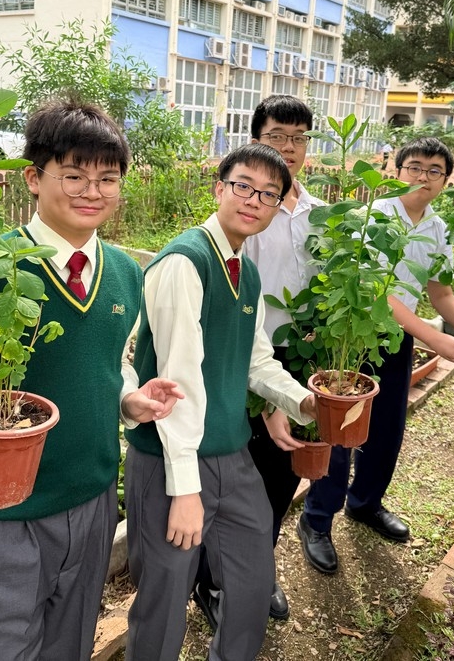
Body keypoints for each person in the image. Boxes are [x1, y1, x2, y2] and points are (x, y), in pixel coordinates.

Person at [0, 99, 183, 661]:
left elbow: (109, 362)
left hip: (91, 502)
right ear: (33, 177)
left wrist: (129, 398)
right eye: (73, 175)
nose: (92, 191)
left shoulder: (125, 273)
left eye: (108, 178)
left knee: (68, 646)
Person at [124, 142, 316, 661]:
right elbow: (178, 379)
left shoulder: (245, 272)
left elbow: (256, 361)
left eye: (269, 194)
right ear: (219, 189)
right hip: (169, 459)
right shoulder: (184, 263)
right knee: (164, 600)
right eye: (243, 186)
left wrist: (305, 403)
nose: (254, 200)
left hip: (232, 454)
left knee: (252, 583)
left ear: (277, 206)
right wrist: (186, 488)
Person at [298, 136, 454, 575]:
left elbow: (440, 291)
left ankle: (365, 504)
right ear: (396, 171)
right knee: (340, 432)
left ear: (446, 180)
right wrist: (438, 340)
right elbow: (378, 293)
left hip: (397, 341)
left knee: (386, 429)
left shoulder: (437, 227)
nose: (423, 176)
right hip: (353, 337)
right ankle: (317, 520)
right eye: (415, 166)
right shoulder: (375, 216)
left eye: (435, 170)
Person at [193, 95, 323, 625]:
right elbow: (228, 314)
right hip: (240, 360)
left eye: (298, 138)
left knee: (280, 475)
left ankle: (254, 569)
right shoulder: (243, 212)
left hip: (296, 358)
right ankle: (213, 580)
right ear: (255, 141)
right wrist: (265, 397)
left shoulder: (319, 214)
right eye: (276, 137)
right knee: (233, 482)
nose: (288, 148)